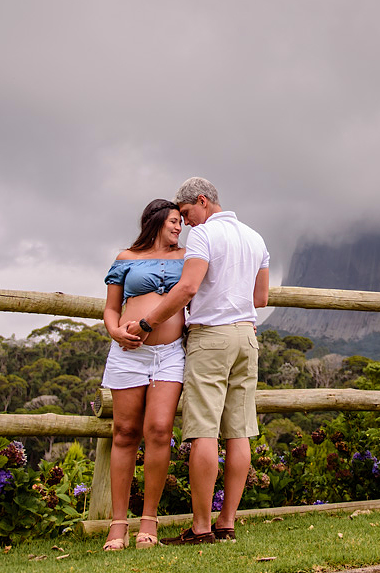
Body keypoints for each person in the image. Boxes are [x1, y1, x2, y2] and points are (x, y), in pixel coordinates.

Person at [128, 177, 269, 545]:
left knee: (204, 430)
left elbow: (188, 287)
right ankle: (227, 524)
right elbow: (262, 297)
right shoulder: (256, 238)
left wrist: (147, 322)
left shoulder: (205, 235)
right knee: (238, 431)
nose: (186, 222)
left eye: (187, 213)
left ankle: (202, 526)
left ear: (202, 201)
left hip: (211, 337)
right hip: (247, 337)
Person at [99, 199, 187, 551]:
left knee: (160, 430)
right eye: (173, 221)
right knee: (124, 432)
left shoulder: (188, 258)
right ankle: (117, 525)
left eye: (181, 222)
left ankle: (148, 520)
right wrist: (115, 332)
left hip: (169, 356)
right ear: (155, 222)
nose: (179, 227)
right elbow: (110, 308)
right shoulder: (125, 259)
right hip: (127, 356)